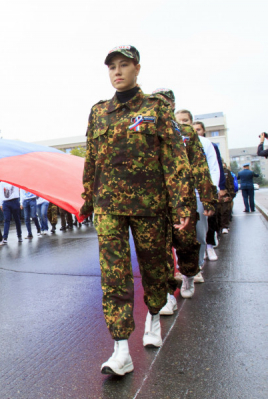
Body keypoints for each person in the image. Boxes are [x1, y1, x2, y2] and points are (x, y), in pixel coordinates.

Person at [79, 46, 192, 376]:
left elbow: (174, 159)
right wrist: (88, 200)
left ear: (137, 69)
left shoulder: (156, 109)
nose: (117, 71)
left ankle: (154, 317)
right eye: (112, 66)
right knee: (113, 276)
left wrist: (181, 202)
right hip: (108, 207)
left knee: (155, 268)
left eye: (124, 65)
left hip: (149, 206)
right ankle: (121, 350)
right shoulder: (99, 112)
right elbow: (92, 161)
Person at [153, 90, 217, 314]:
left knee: (186, 243)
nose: (161, 105)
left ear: (172, 104)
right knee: (159, 249)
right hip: (156, 199)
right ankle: (168, 295)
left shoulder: (187, 132)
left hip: (184, 198)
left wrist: (208, 198)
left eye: (165, 102)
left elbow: (200, 166)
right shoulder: (146, 127)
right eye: (156, 101)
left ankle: (189, 275)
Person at [191, 120, 224, 262]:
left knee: (205, 224)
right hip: (183, 193)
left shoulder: (207, 143)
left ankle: (208, 248)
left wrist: (218, 188)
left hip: (203, 191)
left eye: (198, 129)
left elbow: (216, 168)